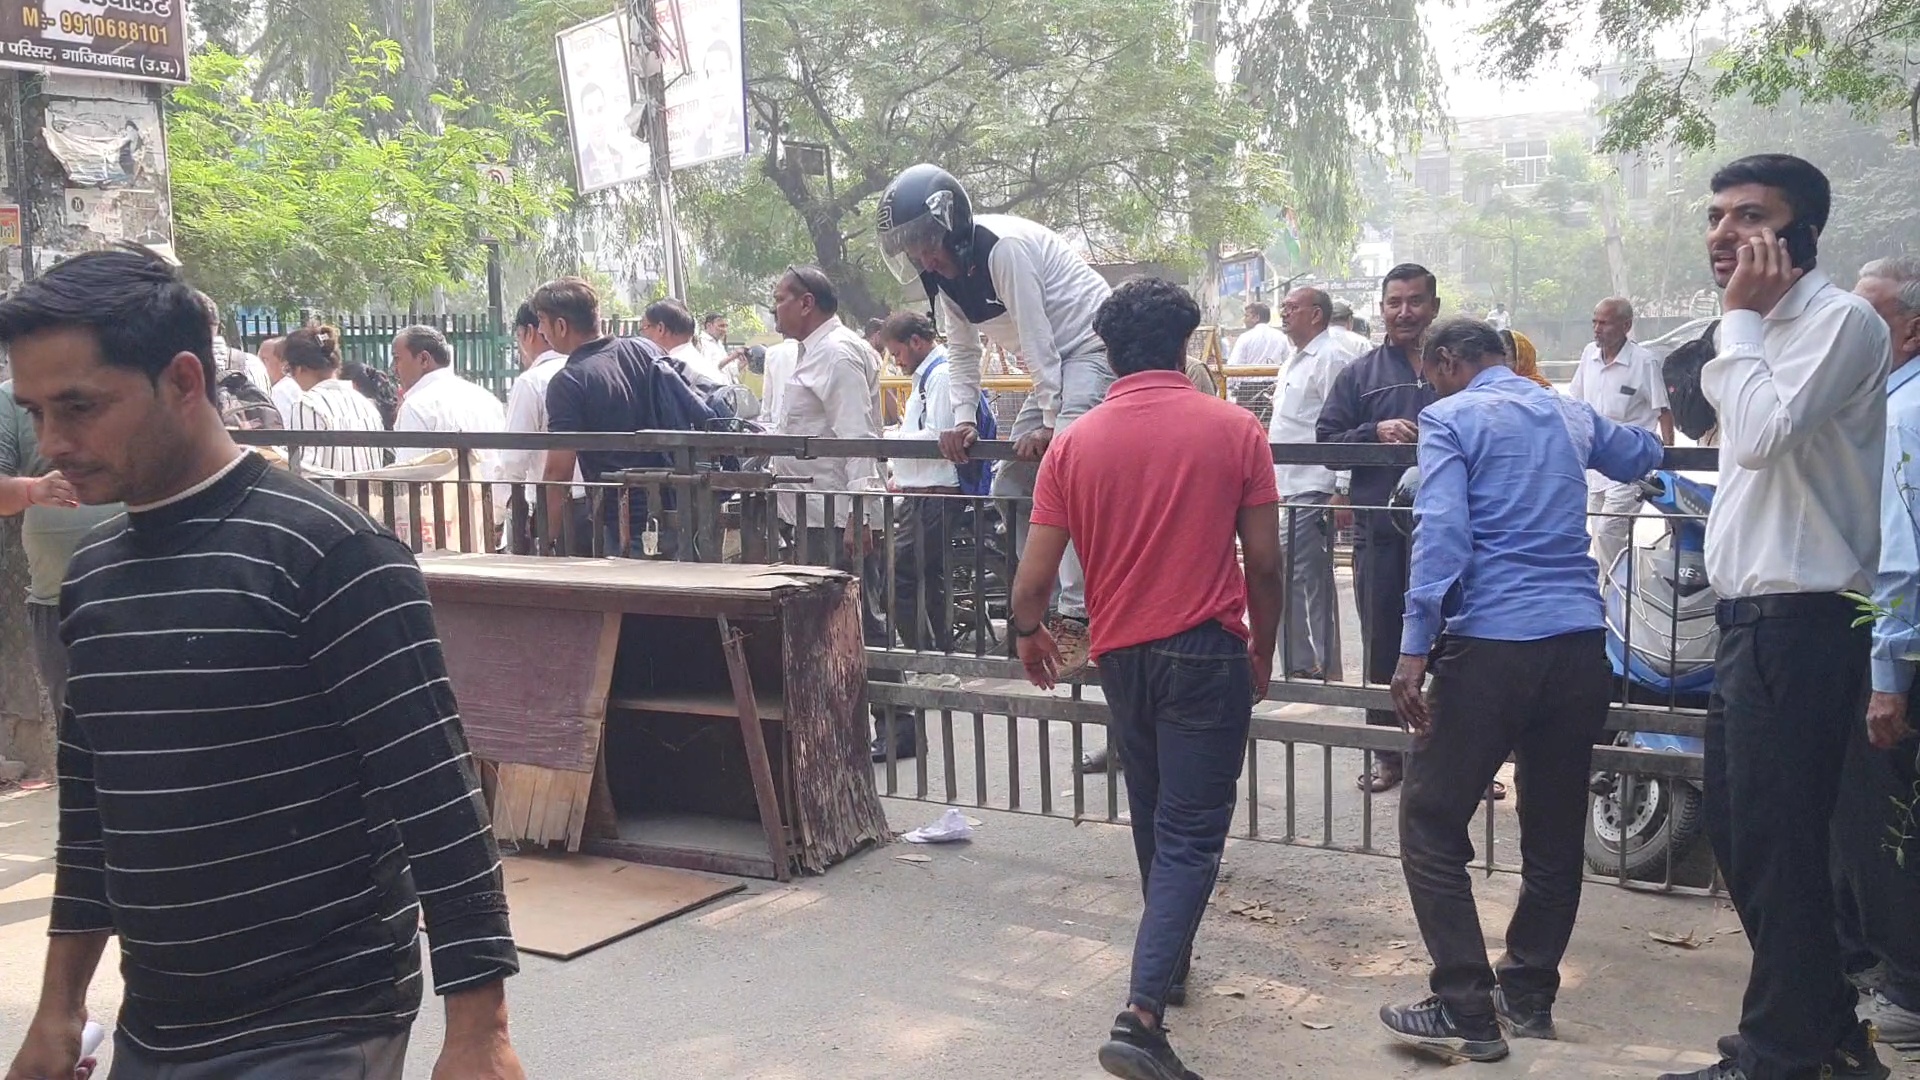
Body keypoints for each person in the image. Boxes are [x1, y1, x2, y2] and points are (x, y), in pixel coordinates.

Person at [0, 246, 523, 1080]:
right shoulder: (93, 581)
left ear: (181, 380)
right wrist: (60, 1008)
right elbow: (96, 814)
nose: (53, 442)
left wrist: (480, 1032)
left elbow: (439, 798)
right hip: (159, 1021)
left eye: (80, 407)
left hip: (318, 1021)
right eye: (35, 413)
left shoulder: (330, 554)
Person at [1012, 277, 1281, 1080]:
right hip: (1206, 652)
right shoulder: (1234, 429)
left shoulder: (1075, 442)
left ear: (1106, 352)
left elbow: (1033, 583)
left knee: (1153, 816)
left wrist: (1029, 636)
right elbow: (1263, 562)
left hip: (1120, 656)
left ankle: (1169, 965)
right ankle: (1140, 1016)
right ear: (1187, 347)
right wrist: (1263, 647)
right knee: (1192, 835)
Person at [1660, 154, 1894, 1080]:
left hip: (1806, 619)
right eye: (1715, 215)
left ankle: (1777, 1054)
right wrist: (1744, 332)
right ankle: (1829, 1037)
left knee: (1776, 841)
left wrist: (1740, 327)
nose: (1723, 233)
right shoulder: (1762, 332)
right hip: (1754, 621)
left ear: (1799, 234)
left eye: (1747, 216)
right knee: (1749, 835)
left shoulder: (1836, 323)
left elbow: (1756, 436)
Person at [1378, 318, 1664, 1062]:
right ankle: (1529, 994)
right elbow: (1643, 451)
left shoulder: (1449, 418)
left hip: (1494, 646)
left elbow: (1442, 532)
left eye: (1429, 370)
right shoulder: (1565, 411)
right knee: (1553, 824)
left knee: (1431, 816)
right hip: (1578, 644)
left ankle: (1465, 1005)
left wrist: (1413, 651)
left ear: (1446, 362)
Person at [878, 163, 1116, 675]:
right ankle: (1044, 596)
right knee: (1012, 482)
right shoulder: (943, 280)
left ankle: (1077, 613)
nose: (924, 256)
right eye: (913, 249)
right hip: (1052, 367)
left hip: (1090, 348)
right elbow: (963, 353)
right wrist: (964, 419)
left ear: (953, 225)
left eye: (928, 242)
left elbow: (1037, 337)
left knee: (1064, 464)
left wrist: (1053, 423)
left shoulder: (1000, 248)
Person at [767, 266, 908, 757]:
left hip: (835, 512)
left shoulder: (838, 353)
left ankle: (898, 725)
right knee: (830, 619)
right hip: (810, 509)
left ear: (806, 302)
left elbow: (857, 439)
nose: (774, 308)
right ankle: (845, 725)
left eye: (780, 299)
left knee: (861, 617)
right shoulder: (813, 352)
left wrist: (861, 515)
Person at [1316, 263, 1441, 794]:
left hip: (1451, 532)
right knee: (1383, 642)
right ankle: (1388, 755)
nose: (1405, 311)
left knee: (1457, 647)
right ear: (1382, 308)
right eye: (1395, 302)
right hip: (1380, 532)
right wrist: (1374, 431)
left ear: (1433, 306)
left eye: (1415, 301)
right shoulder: (1360, 375)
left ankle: (1458, 758)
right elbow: (1325, 440)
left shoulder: (1456, 367)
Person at [1837, 254, 1920, 1050]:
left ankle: (1907, 988)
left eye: (1871, 316)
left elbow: (1898, 557)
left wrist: (1887, 676)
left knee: (1887, 822)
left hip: (1901, 652)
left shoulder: (1900, 414)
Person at [535, 277, 716, 557]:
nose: (540, 330)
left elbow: (558, 471)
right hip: (677, 503)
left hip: (624, 522)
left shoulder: (569, 381)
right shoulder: (646, 349)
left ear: (560, 326)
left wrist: (545, 541)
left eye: (542, 321)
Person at [0, 380, 122, 765]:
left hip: (144, 588)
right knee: (80, 737)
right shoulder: (10, 397)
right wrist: (33, 489)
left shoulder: (122, 378)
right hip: (58, 599)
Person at [1271, 286, 1366, 681]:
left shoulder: (1331, 357)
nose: (1284, 313)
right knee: (1294, 573)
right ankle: (1307, 662)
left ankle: (1317, 665)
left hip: (1315, 481)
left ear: (1316, 315)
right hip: (1289, 482)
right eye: (1284, 306)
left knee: (1302, 574)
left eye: (1293, 307)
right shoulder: (1293, 359)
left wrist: (1341, 487)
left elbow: (1343, 425)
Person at [1569, 297, 1672, 580]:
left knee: (1609, 532)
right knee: (1598, 532)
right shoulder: (1589, 355)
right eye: (1595, 322)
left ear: (1626, 326)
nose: (1597, 329)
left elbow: (1663, 412)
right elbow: (1576, 402)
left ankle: (1612, 596)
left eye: (1605, 323)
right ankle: (1610, 593)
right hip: (1594, 465)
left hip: (1631, 463)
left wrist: (1670, 460)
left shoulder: (1644, 362)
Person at [391, 324, 509, 521]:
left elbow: (407, 480)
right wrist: (496, 520)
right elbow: (501, 465)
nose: (395, 369)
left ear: (423, 359)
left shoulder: (417, 407)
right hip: (488, 526)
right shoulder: (487, 398)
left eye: (397, 359)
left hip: (439, 532)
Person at [502, 301, 591, 555]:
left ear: (530, 332)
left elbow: (513, 460)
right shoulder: (589, 371)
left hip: (552, 510)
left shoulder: (531, 382)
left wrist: (502, 511)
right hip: (597, 506)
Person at [282, 323, 387, 474]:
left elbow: (305, 472)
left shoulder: (307, 405)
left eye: (288, 370)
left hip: (328, 496)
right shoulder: (367, 405)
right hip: (368, 495)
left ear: (298, 368)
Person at [642, 298, 728, 386]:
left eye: (644, 328)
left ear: (661, 329)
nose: (642, 335)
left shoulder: (667, 371)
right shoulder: (703, 365)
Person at [1226, 300, 1289, 398]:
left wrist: (1231, 387)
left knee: (1247, 414)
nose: (1244, 320)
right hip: (1273, 389)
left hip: (1248, 389)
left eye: (1247, 316)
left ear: (1256, 317)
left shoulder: (1245, 337)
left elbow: (1233, 366)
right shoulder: (1281, 337)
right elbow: (1288, 363)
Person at [260, 335, 299, 421]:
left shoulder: (280, 392)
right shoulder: (299, 385)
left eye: (265, 359)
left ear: (284, 363)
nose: (259, 365)